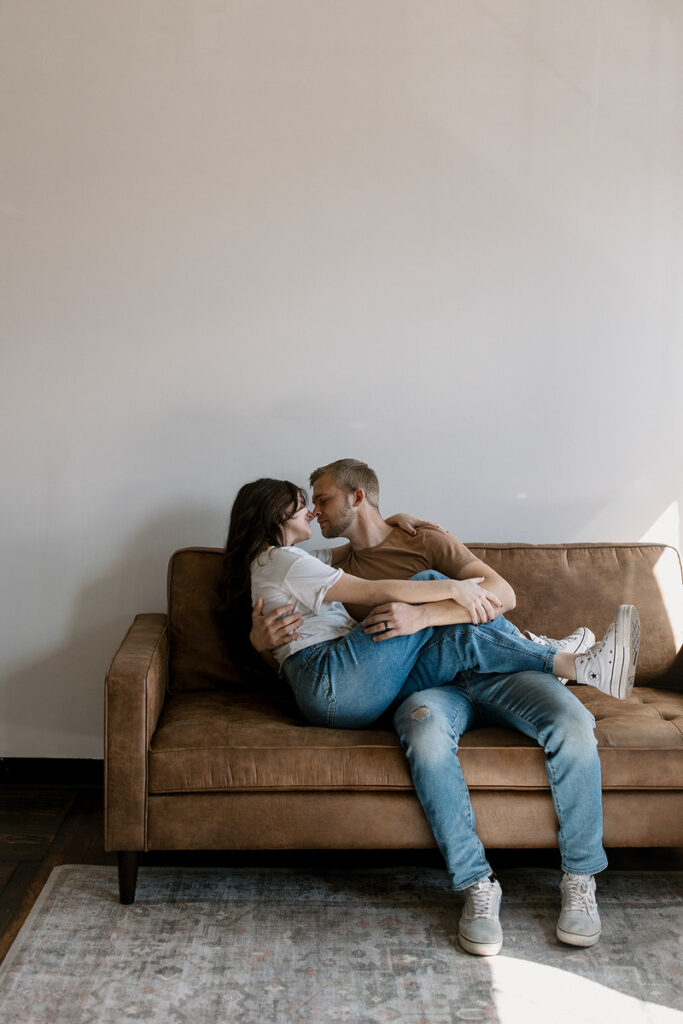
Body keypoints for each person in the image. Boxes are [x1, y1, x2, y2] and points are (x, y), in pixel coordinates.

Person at [236, 463, 640, 956]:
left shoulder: (424, 537)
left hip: (492, 667)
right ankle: (476, 886)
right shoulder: (329, 561)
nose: (314, 511)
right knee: (425, 734)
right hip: (428, 685)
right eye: (307, 504)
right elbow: (299, 608)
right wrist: (260, 644)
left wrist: (422, 613)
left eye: (320, 501)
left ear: (357, 498)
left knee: (575, 723)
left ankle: (580, 879)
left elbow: (503, 595)